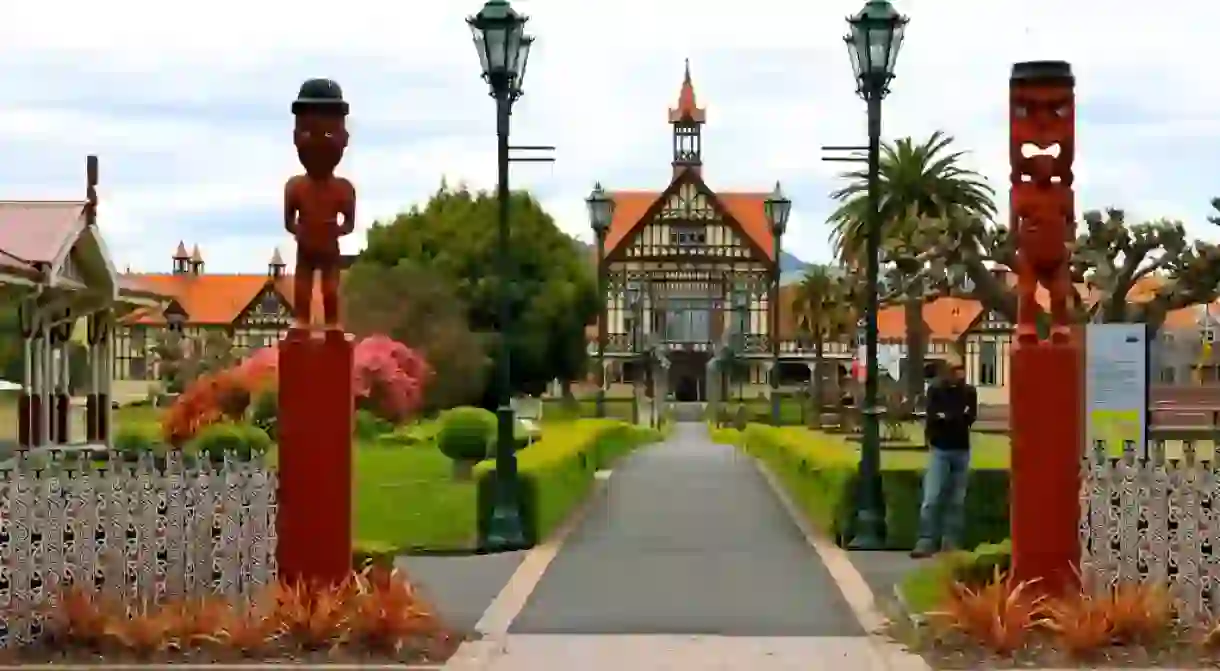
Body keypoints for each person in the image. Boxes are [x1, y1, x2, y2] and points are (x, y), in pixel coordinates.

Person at [911, 360, 977, 558]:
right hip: (940, 448)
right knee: (932, 497)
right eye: (956, 370)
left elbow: (970, 417)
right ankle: (926, 540)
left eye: (962, 370)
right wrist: (954, 417)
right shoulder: (936, 391)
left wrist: (948, 417)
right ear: (948, 372)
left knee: (957, 499)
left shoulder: (969, 392)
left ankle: (951, 543)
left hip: (961, 449)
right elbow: (933, 417)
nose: (960, 374)